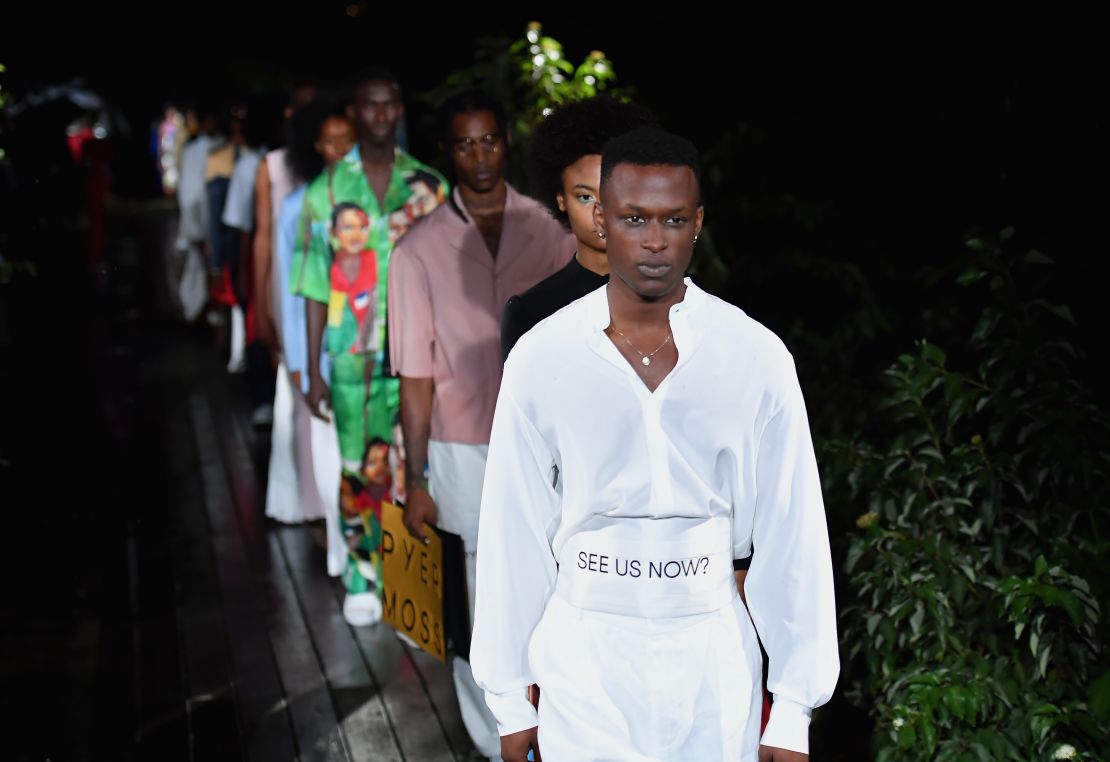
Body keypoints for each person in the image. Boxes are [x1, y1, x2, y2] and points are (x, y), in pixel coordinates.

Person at [471, 126, 840, 762]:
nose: (652, 241)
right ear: (599, 218)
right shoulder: (542, 356)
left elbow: (793, 527)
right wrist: (507, 697)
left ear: (697, 223)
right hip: (584, 649)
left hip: (713, 652)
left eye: (673, 220)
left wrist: (793, 709)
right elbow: (513, 527)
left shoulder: (753, 355)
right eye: (633, 218)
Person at [388, 89, 573, 761]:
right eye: (464, 143)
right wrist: (415, 478)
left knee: (550, 579)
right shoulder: (417, 251)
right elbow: (414, 375)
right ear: (449, 153)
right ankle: (494, 739)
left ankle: (552, 723)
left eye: (489, 140)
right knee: (472, 600)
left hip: (544, 444)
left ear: (506, 142)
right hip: (459, 449)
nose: (479, 155)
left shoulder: (550, 231)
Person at [291, 69, 447, 625]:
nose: (380, 115)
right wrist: (310, 369)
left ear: (399, 109)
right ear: (355, 113)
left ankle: (407, 584)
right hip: (351, 356)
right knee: (360, 467)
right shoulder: (326, 192)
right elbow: (312, 282)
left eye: (389, 105)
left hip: (419, 359)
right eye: (369, 106)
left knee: (415, 466)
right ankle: (362, 575)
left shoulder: (429, 187)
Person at [500, 96, 654, 360]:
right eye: (585, 196)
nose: (601, 211)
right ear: (561, 199)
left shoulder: (681, 301)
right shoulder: (533, 313)